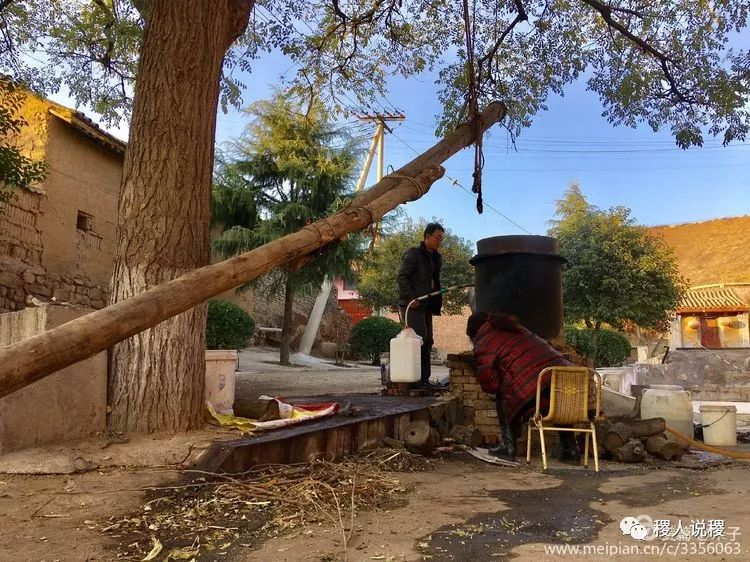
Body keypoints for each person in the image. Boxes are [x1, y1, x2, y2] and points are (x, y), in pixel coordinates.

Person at [467, 311, 581, 462]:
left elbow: (490, 383)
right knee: (557, 399)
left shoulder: (485, 341)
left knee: (503, 394)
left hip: (533, 390)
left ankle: (508, 446)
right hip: (565, 382)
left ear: (474, 332)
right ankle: (570, 450)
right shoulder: (516, 328)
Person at [397, 223, 444, 387]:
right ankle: (415, 380)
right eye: (437, 237)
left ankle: (423, 379)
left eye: (441, 239)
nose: (440, 241)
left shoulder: (436, 259)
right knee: (418, 340)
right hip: (413, 305)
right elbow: (402, 277)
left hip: (427, 306)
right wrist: (411, 298)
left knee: (428, 340)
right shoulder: (414, 254)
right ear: (427, 236)